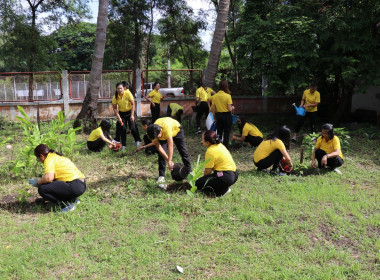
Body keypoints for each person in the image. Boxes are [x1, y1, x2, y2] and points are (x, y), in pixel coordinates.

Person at [28, 144, 86, 212]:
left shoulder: (49, 159)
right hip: (81, 184)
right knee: (50, 184)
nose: (39, 161)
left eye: (38, 158)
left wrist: (38, 182)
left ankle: (67, 205)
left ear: (41, 156)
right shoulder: (56, 156)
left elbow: (48, 178)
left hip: (74, 186)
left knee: (42, 189)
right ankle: (73, 200)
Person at [147, 117, 192, 184]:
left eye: (158, 136)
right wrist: (169, 161)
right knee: (161, 155)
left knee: (183, 151)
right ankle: (161, 176)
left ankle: (190, 172)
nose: (158, 138)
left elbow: (171, 145)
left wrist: (169, 160)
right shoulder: (152, 133)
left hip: (176, 130)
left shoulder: (166, 128)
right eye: (156, 137)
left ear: (160, 131)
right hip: (164, 132)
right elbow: (159, 148)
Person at [195, 130, 238, 197]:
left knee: (198, 183)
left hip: (226, 176)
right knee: (214, 177)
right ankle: (222, 189)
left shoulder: (210, 151)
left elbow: (207, 171)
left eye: (202, 139)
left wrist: (203, 181)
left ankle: (223, 190)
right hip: (234, 175)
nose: (201, 140)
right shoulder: (220, 145)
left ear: (207, 142)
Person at [112, 82, 141, 150]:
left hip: (130, 112)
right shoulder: (115, 97)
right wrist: (119, 118)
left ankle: (137, 140)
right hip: (122, 114)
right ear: (116, 89)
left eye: (121, 88)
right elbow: (114, 108)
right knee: (123, 129)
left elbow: (133, 104)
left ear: (124, 88)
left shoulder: (128, 93)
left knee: (132, 127)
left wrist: (132, 115)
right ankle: (124, 145)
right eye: (118, 89)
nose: (120, 90)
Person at [211, 80, 234, 147]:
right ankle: (226, 147)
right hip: (227, 116)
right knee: (226, 133)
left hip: (219, 116)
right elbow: (229, 109)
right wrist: (232, 107)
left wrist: (215, 118)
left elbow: (213, 109)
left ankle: (218, 146)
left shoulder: (215, 96)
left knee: (219, 133)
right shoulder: (228, 96)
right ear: (226, 86)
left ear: (219, 87)